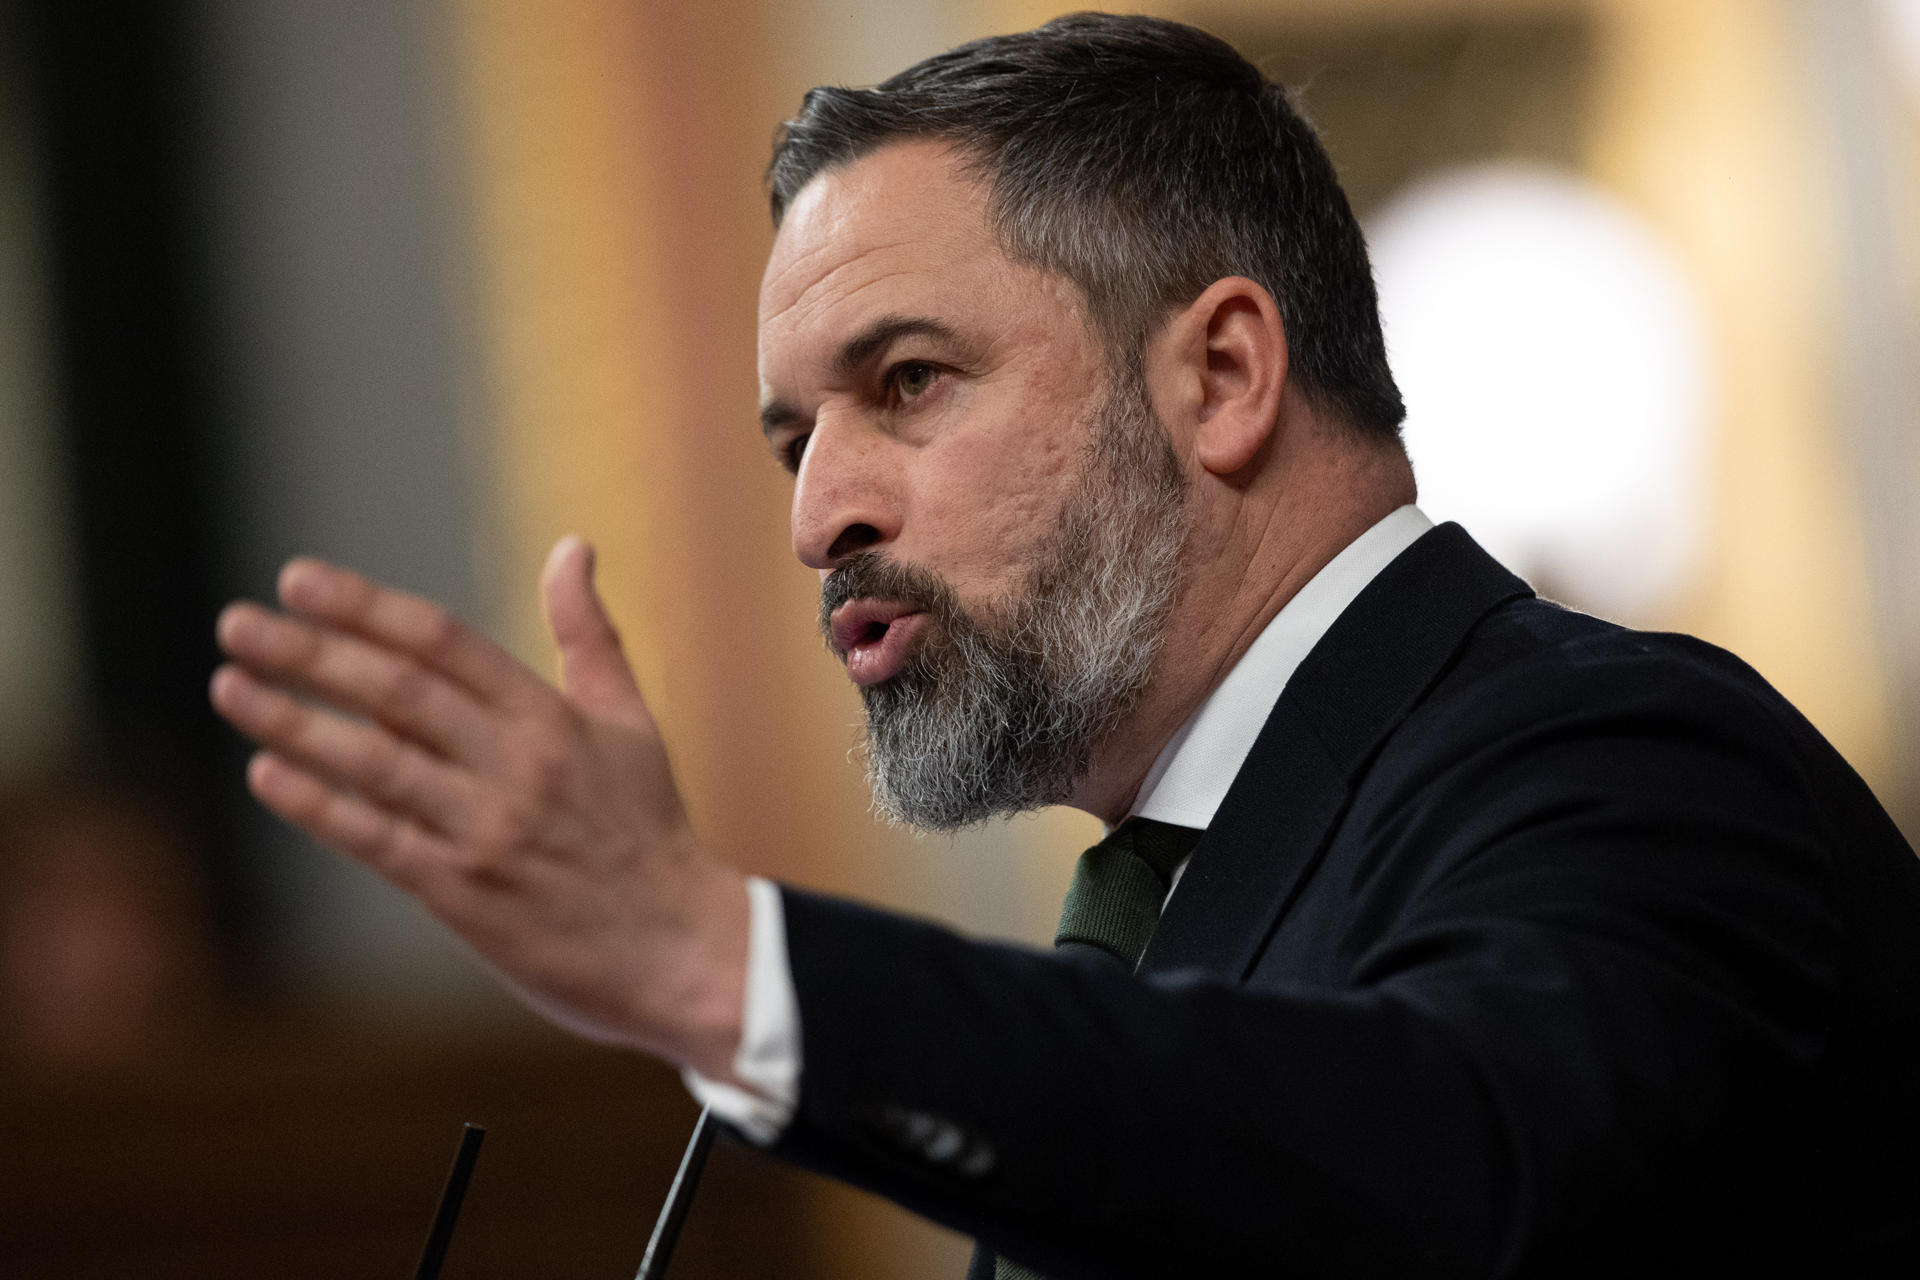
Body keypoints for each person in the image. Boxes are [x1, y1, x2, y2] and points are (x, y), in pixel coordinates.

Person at [209, 13, 1920, 1277]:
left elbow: (1443, 1171)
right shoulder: (1163, 906)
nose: (821, 516)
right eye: (794, 441)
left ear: (1223, 376)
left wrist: (717, 962)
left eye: (908, 384)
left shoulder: (1610, 762)